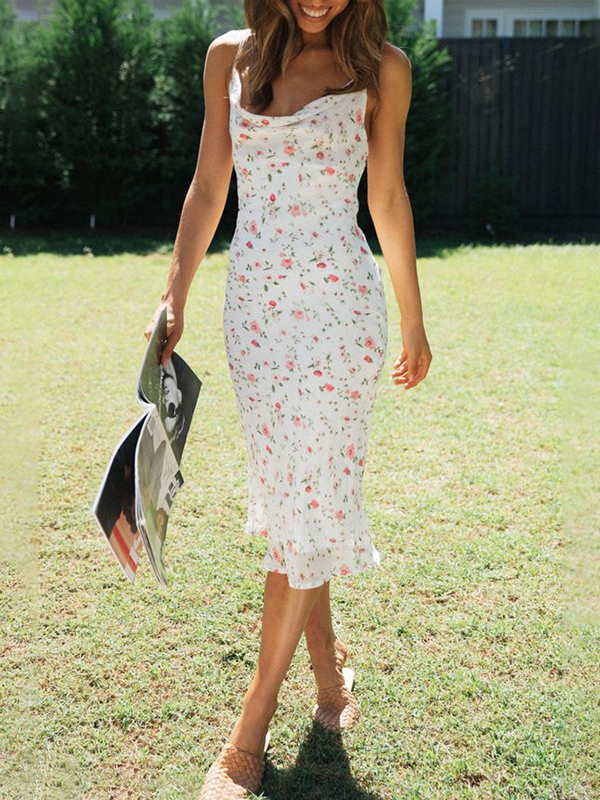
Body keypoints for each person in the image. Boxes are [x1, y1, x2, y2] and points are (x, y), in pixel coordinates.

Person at [144, 1, 432, 796]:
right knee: (300, 500)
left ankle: (250, 729)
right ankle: (329, 677)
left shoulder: (384, 69)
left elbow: (387, 196)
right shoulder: (228, 59)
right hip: (256, 316)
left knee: (310, 499)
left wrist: (413, 319)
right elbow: (210, 185)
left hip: (340, 313)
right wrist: (175, 295)